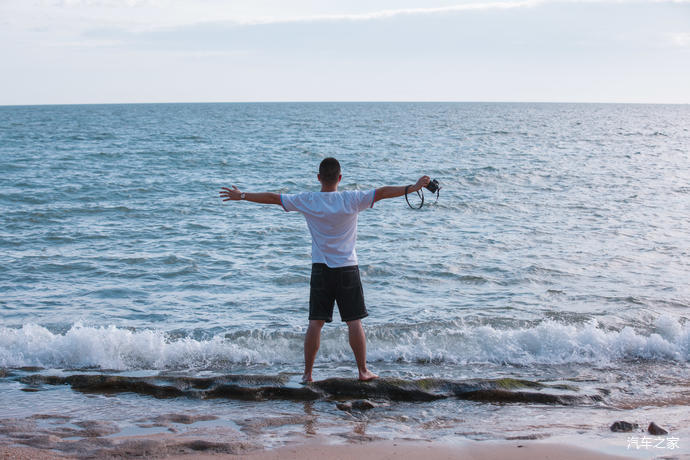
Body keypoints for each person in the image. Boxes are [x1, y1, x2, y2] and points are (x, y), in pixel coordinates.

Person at [220, 157, 430, 382]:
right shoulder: (352, 199)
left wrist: (241, 196)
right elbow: (383, 192)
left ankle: (308, 374)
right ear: (340, 178)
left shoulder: (308, 200)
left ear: (319, 177)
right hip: (348, 268)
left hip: (320, 269)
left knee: (315, 323)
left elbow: (273, 198)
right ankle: (362, 371)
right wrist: (413, 187)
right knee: (354, 322)